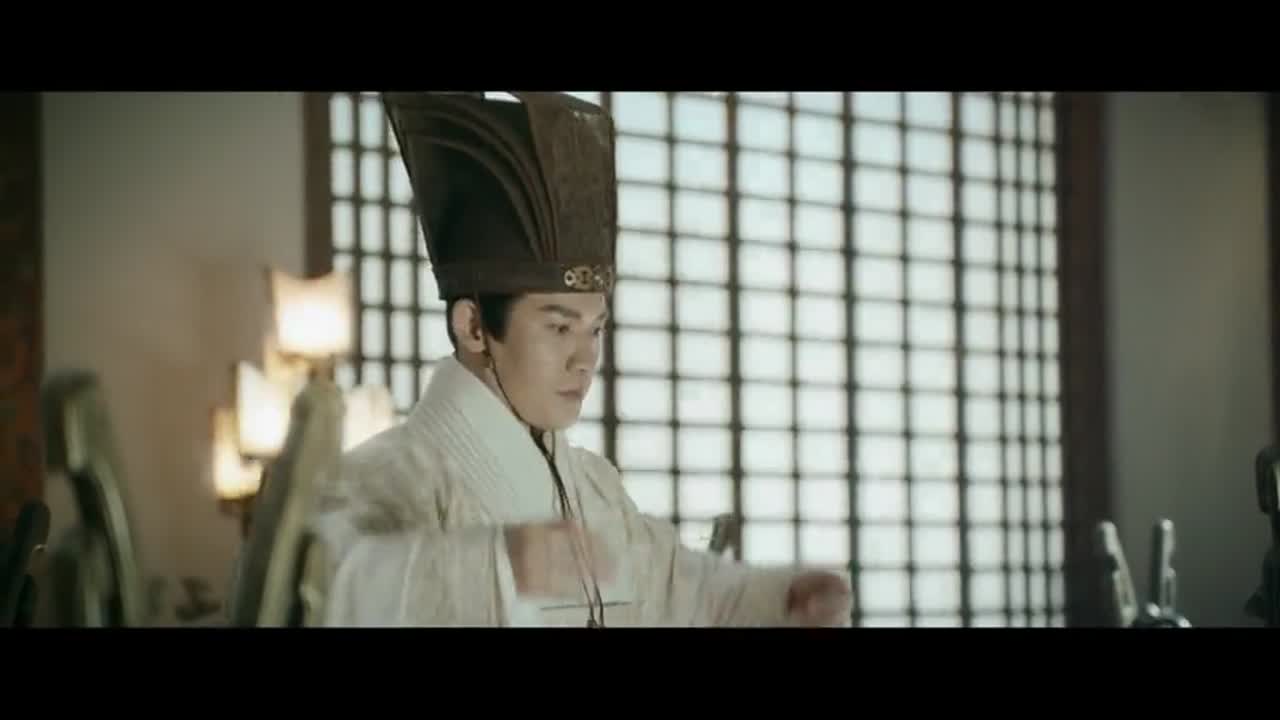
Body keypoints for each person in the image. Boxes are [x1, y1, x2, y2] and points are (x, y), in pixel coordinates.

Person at [300, 91, 853, 627]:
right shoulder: (389, 476)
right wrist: (498, 566)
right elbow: (327, 589)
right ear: (473, 327)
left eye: (596, 329)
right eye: (559, 327)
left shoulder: (592, 486)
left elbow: (677, 591)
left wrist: (781, 599)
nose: (585, 359)